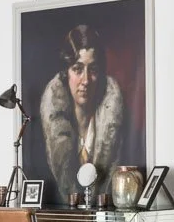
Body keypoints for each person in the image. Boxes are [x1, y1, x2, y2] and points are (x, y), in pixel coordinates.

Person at [39, 25, 124, 203]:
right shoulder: (51, 132)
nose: (85, 80)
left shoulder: (117, 130)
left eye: (92, 70)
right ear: (65, 73)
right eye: (77, 69)